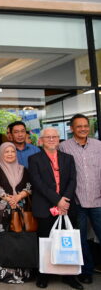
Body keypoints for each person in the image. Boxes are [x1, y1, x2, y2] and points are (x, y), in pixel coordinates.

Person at [28, 127, 82, 290]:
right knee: (45, 241)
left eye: (55, 137)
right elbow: (37, 183)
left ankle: (70, 276)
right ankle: (44, 275)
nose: (51, 139)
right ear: (42, 140)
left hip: (67, 206)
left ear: (59, 139)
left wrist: (64, 201)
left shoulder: (68, 158)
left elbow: (73, 180)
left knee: (67, 242)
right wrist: (57, 200)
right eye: (48, 137)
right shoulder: (34, 159)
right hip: (45, 207)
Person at [59, 114, 101, 284]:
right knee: (80, 239)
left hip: (98, 200)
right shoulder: (63, 147)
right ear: (71, 128)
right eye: (79, 126)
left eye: (85, 125)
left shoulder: (99, 145)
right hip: (76, 201)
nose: (83, 129)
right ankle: (87, 270)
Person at [0, 142, 32, 284]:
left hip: (20, 210)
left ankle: (23, 272)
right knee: (5, 239)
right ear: (1, 153)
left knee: (21, 239)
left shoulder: (23, 169)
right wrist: (9, 199)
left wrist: (18, 198)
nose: (10, 154)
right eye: (6, 152)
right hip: (2, 211)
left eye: (12, 151)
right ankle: (6, 273)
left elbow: (29, 186)